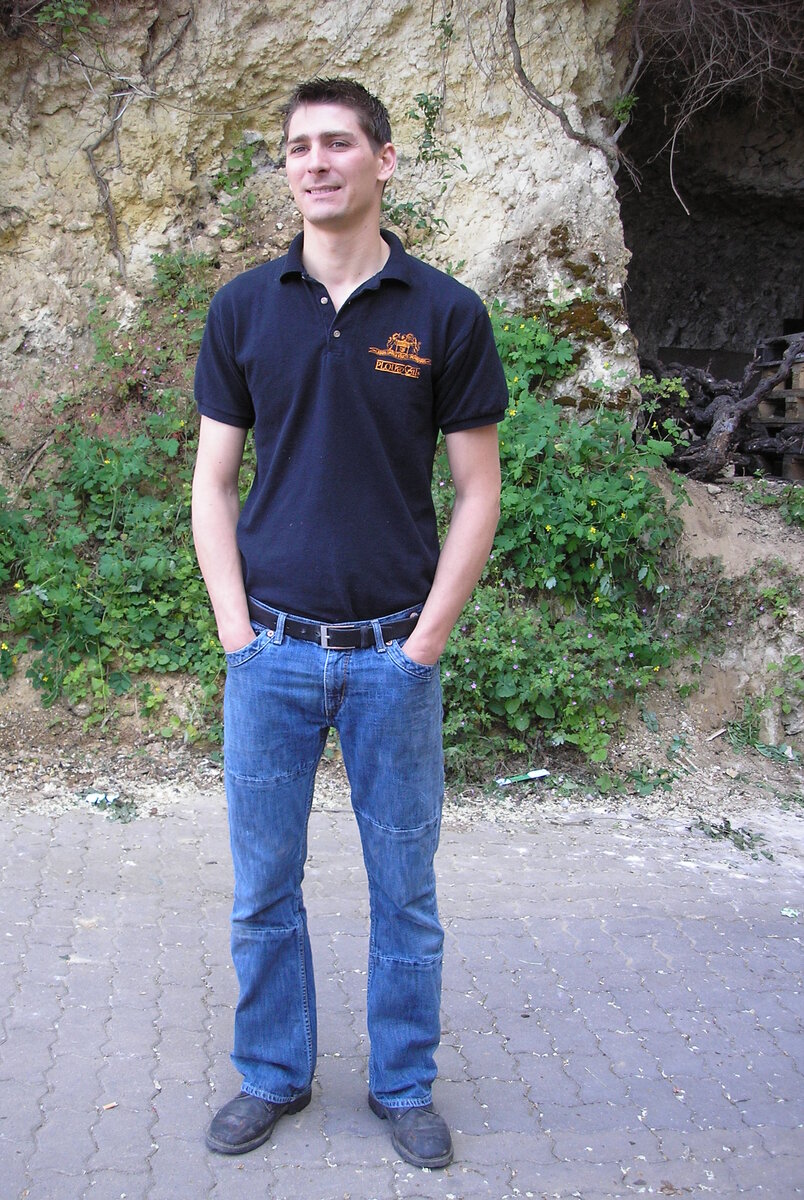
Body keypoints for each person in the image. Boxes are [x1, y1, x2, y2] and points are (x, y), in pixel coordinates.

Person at [191, 77, 508, 1170]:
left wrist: (426, 645)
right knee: (263, 890)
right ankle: (272, 1075)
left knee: (404, 893)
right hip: (271, 653)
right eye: (298, 147)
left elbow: (478, 491)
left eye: (337, 143)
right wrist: (236, 635)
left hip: (391, 660)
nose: (315, 162)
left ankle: (403, 1084)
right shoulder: (244, 308)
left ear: (384, 160)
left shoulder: (445, 313)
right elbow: (213, 482)